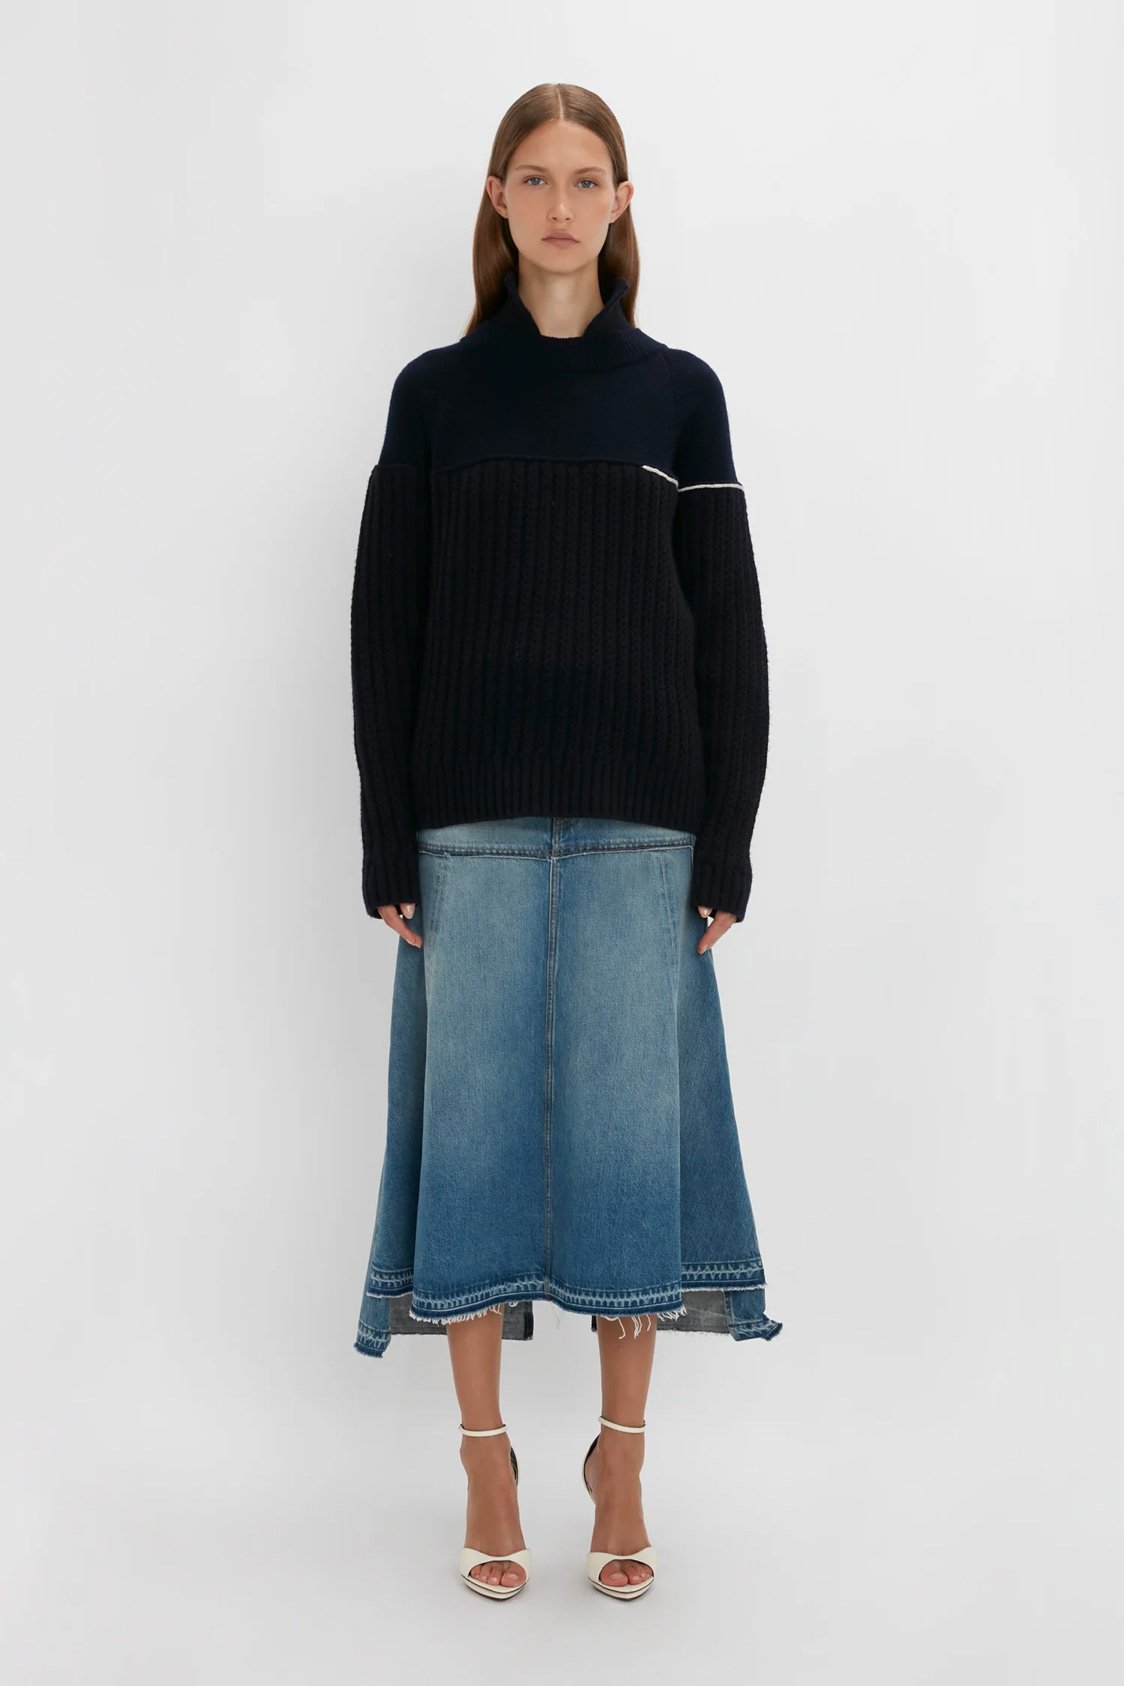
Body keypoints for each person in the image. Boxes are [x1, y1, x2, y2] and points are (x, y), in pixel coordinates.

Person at [348, 82, 783, 1602]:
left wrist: (727, 841)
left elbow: (729, 631)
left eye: (585, 179)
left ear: (621, 202)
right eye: (532, 178)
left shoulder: (679, 394)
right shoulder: (435, 397)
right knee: (467, 1142)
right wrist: (383, 835)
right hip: (462, 822)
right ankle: (485, 1454)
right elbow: (385, 626)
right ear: (496, 197)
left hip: (643, 823)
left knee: (624, 1147)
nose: (558, 205)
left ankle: (621, 1458)